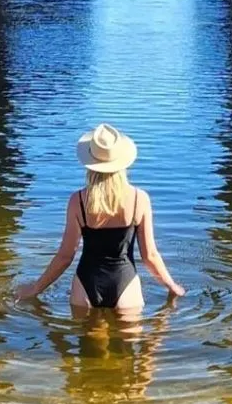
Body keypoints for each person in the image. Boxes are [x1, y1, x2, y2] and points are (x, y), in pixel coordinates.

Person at [14, 123, 185, 308]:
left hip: (85, 286)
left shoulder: (78, 201)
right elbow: (149, 256)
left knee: (90, 335)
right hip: (126, 286)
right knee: (135, 337)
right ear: (122, 162)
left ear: (90, 163)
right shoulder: (139, 200)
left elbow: (65, 256)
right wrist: (172, 286)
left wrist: (35, 288)